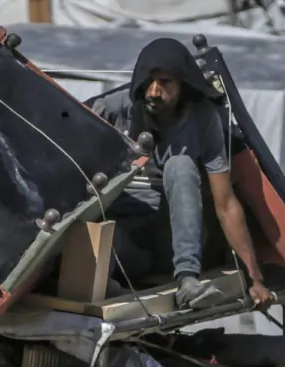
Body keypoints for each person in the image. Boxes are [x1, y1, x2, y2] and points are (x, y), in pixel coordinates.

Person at [88, 37, 270, 311]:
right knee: (106, 237)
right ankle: (106, 280)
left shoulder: (202, 119)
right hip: (125, 241)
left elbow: (225, 203)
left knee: (180, 165)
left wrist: (255, 277)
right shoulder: (115, 108)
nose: (154, 91)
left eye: (165, 83)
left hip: (171, 242)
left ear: (183, 84)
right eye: (149, 81)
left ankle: (188, 283)